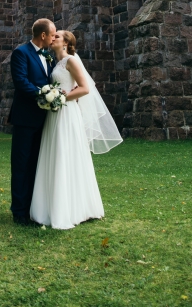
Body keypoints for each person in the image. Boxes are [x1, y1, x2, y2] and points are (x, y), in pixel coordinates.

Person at [30, 30, 123, 229]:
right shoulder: (55, 63)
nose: (53, 38)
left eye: (57, 36)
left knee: (66, 154)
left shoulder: (71, 60)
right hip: (55, 113)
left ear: (66, 43)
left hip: (67, 112)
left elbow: (84, 88)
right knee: (55, 154)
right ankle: (50, 206)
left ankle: (73, 209)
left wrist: (60, 97)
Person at [9, 18, 56, 225]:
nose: (54, 38)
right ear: (43, 35)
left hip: (44, 120)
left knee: (37, 164)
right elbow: (21, 82)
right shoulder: (21, 53)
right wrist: (44, 94)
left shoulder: (49, 56)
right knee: (21, 165)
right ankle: (19, 211)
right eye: (52, 34)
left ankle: (33, 209)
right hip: (25, 118)